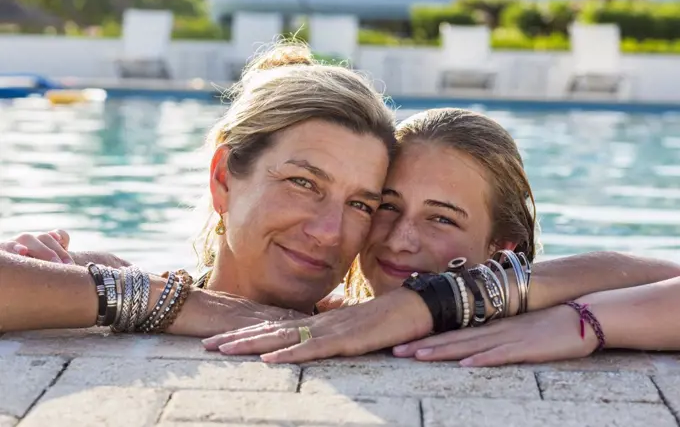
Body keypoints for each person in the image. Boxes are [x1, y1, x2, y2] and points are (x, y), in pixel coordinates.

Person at [200, 108, 680, 364]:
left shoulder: (533, 320)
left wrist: (581, 323)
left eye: (442, 218)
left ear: (503, 246)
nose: (400, 239)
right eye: (386, 206)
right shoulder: (333, 314)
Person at [0, 40, 397, 334]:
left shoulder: (385, 322)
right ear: (223, 178)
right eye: (303, 182)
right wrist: (163, 301)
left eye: (361, 204)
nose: (329, 232)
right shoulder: (126, 294)